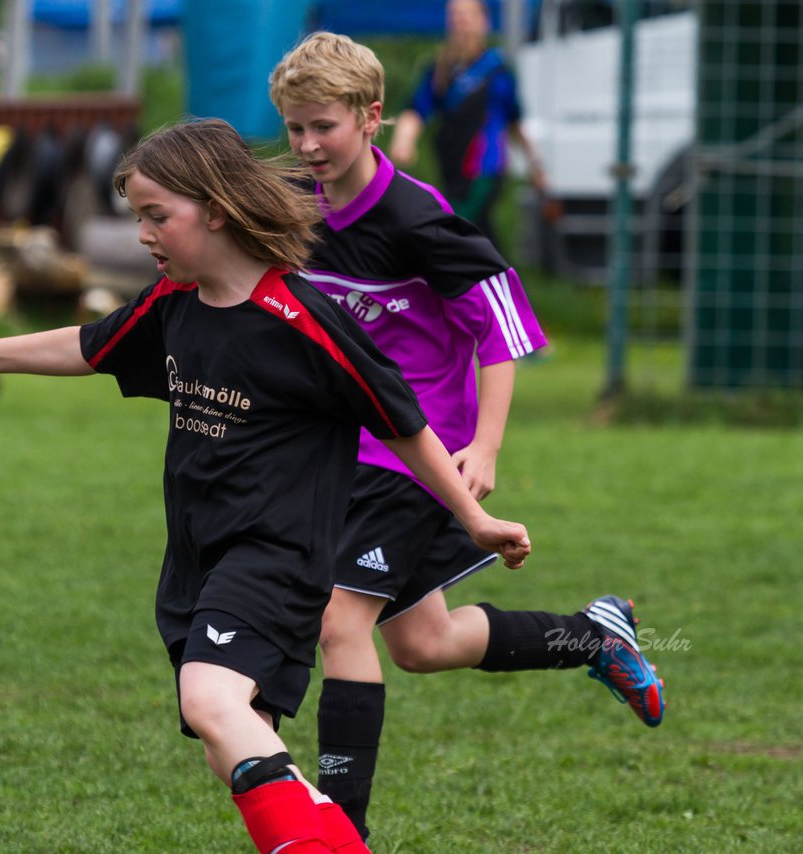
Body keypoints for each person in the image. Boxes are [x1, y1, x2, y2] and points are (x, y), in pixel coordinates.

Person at [0, 118, 533, 853]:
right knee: (232, 739)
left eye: (157, 215)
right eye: (139, 217)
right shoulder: (174, 303)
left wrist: (473, 517)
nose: (144, 235)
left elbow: (402, 424)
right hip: (197, 558)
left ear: (217, 208)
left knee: (210, 699)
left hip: (277, 556)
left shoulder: (303, 319)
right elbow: (91, 344)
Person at [269, 32, 665, 841]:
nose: (308, 147)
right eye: (295, 128)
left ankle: (341, 832)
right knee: (423, 640)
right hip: (342, 449)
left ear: (372, 118)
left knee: (340, 625)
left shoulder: (417, 219)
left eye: (325, 128)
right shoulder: (286, 200)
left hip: (417, 448)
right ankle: (595, 636)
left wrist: (483, 448)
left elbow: (502, 326)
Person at [389, 0, 549, 252]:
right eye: (455, 16)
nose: (460, 21)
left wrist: (536, 165)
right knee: (478, 235)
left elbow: (516, 122)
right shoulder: (441, 69)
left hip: (485, 168)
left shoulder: (497, 70)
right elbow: (416, 110)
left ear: (483, 22)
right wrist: (404, 141)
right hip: (453, 168)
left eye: (467, 15)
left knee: (456, 228)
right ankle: (500, 280)